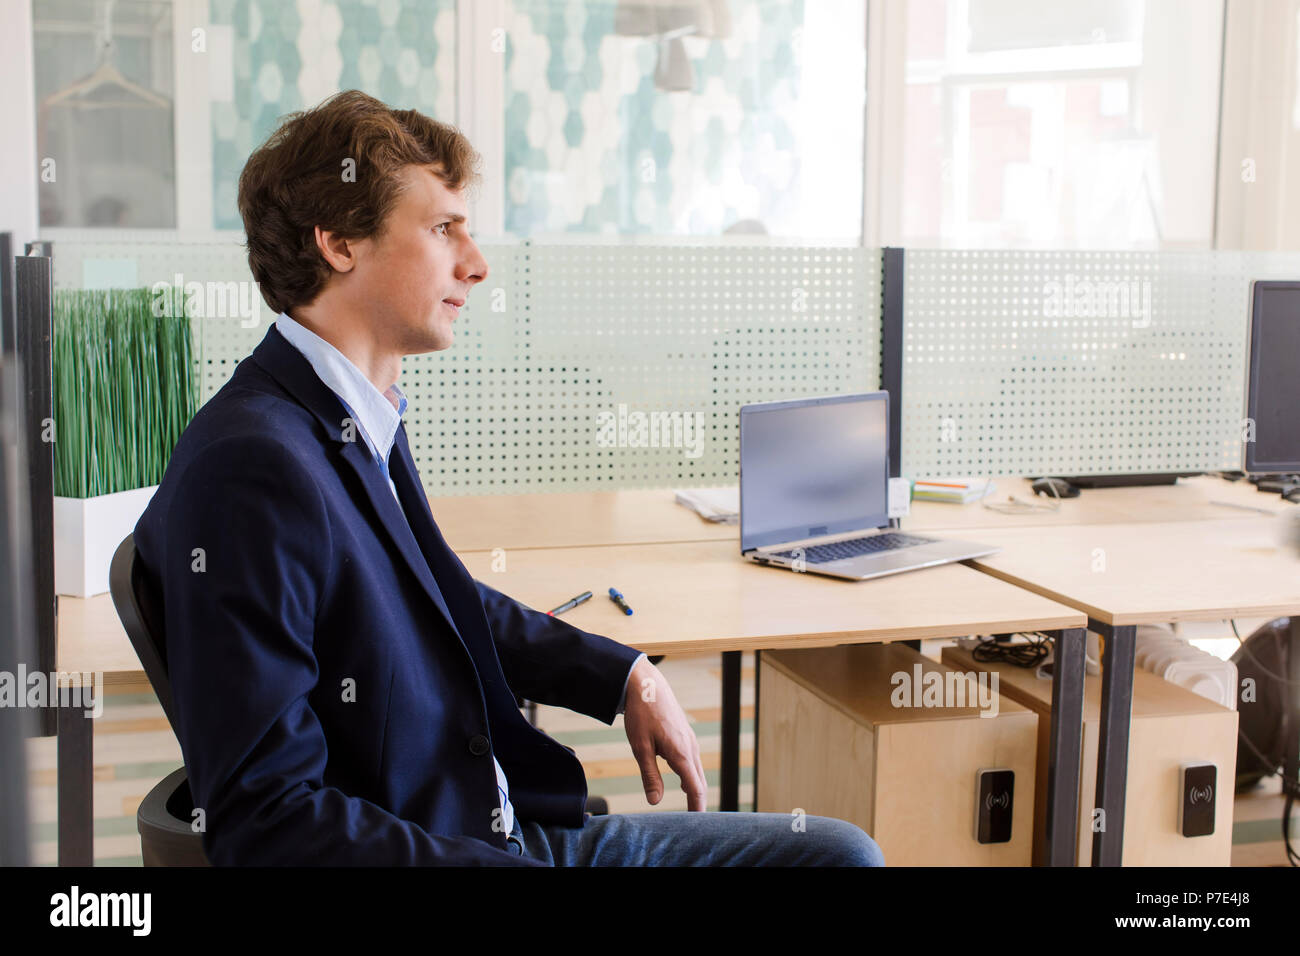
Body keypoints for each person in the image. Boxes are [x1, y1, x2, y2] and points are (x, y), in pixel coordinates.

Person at [133, 89, 884, 867]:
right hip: (457, 847)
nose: (477, 264)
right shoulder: (253, 466)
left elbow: (436, 601)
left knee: (841, 854)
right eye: (442, 229)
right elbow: (270, 823)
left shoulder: (352, 410)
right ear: (338, 244)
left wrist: (621, 674)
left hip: (493, 822)